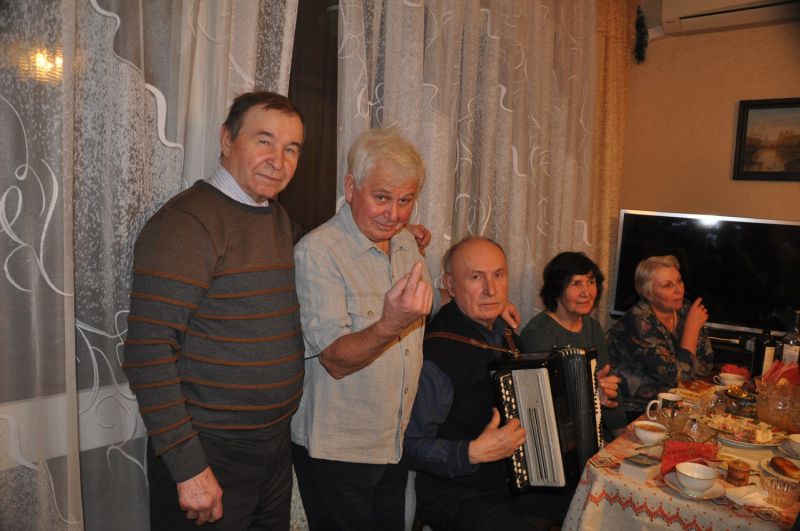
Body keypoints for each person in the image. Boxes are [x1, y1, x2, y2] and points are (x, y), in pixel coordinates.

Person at [122, 91, 307, 530]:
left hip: (272, 447)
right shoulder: (187, 224)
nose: (278, 161)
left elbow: (324, 258)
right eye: (264, 141)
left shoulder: (278, 220)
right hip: (210, 451)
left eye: (291, 148)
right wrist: (189, 467)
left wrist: (390, 233)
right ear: (227, 140)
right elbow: (148, 351)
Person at [290, 127, 434, 531]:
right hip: (338, 452)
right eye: (382, 197)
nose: (394, 214)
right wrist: (389, 325)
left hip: (392, 441)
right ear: (351, 188)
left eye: (405, 200)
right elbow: (335, 360)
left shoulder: (406, 244)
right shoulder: (318, 253)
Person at [402, 237, 560, 531]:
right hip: (456, 494)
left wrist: (585, 395)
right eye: (476, 277)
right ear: (450, 285)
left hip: (513, 480)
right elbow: (407, 446)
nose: (491, 289)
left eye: (498, 275)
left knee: (590, 498)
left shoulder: (509, 337)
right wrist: (471, 452)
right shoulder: (437, 353)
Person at [520, 251, 626, 436]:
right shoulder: (538, 333)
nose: (587, 292)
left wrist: (623, 435)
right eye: (576, 284)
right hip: (556, 433)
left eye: (591, 281)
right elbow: (543, 400)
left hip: (592, 428)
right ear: (556, 290)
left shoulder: (592, 327)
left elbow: (607, 385)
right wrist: (592, 391)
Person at [608, 254, 713, 414]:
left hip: (675, 401)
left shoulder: (684, 309)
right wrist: (691, 329)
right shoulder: (639, 322)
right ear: (648, 293)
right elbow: (677, 376)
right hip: (636, 409)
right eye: (667, 285)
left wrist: (686, 367)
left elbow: (706, 363)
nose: (679, 290)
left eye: (679, 281)